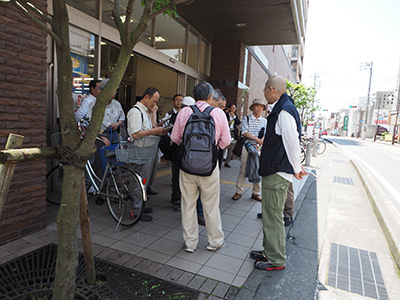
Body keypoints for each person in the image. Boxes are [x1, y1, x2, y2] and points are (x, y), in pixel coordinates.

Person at [250, 75, 307, 271]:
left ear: (272, 89)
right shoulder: (284, 107)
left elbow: (293, 142)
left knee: (273, 216)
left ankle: (276, 259)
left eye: (265, 90)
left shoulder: (284, 111)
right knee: (269, 214)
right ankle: (268, 250)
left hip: (277, 171)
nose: (264, 95)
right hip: (274, 170)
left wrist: (297, 168)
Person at [170, 81, 230, 253]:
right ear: (211, 97)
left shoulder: (184, 112)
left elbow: (175, 138)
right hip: (209, 167)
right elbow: (225, 142)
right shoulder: (218, 113)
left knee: (188, 204)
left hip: (187, 166)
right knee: (210, 205)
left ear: (194, 96)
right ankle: (215, 241)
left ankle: (190, 243)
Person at [126, 87, 165, 222]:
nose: (155, 104)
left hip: (146, 151)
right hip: (139, 151)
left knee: (143, 182)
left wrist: (154, 115)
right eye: (154, 101)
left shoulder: (145, 111)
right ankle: (136, 211)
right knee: (139, 182)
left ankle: (140, 205)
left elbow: (150, 127)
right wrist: (153, 131)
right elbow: (135, 134)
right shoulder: (135, 112)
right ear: (146, 97)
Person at [232, 98, 267, 202]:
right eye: (257, 106)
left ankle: (256, 193)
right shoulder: (246, 119)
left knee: (258, 169)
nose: (259, 108)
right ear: (252, 107)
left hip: (259, 148)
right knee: (243, 169)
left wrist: (260, 142)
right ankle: (238, 191)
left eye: (261, 106)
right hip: (247, 146)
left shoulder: (265, 121)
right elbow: (244, 132)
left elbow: (266, 134)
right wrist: (257, 140)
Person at [165, 94, 184, 208]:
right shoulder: (170, 115)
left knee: (178, 174)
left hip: (178, 147)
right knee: (176, 174)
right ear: (173, 101)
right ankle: (176, 198)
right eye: (177, 100)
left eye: (181, 100)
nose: (179, 102)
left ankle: (177, 197)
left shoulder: (182, 114)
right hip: (176, 148)